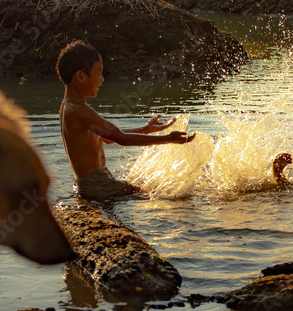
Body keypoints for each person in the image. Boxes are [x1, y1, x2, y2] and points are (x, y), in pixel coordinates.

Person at [57, 40, 194, 201]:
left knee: (152, 189)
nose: (102, 79)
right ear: (81, 76)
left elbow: (107, 137)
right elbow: (121, 138)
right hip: (97, 186)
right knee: (159, 195)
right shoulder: (78, 110)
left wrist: (145, 130)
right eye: (99, 73)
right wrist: (167, 139)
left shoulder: (70, 107)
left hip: (94, 183)